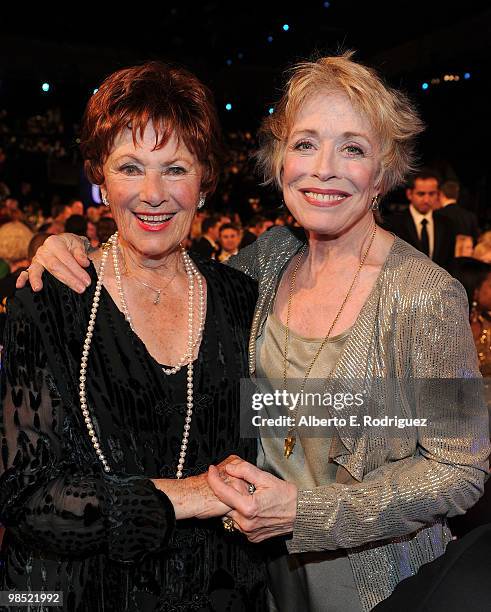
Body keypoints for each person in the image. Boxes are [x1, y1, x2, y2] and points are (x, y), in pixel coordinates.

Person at [17, 53, 489, 612]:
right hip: (262, 581)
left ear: (385, 172)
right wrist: (62, 248)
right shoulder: (261, 268)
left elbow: (460, 468)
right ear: (279, 160)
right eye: (306, 143)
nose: (324, 168)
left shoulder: (426, 295)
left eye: (354, 148)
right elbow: (164, 282)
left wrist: (305, 514)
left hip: (379, 584)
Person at [1, 61, 266, 611]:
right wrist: (188, 496)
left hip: (211, 591)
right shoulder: (50, 298)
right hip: (76, 594)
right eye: (130, 167)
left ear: (205, 181)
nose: (152, 194)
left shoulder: (243, 300)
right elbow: (25, 496)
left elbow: (284, 437)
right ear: (100, 177)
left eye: (175, 169)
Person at [384, 170, 456, 269]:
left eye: (431, 194)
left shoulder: (447, 225)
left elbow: (449, 263)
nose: (426, 200)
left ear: (438, 194)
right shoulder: (393, 223)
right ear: (409, 194)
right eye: (421, 194)